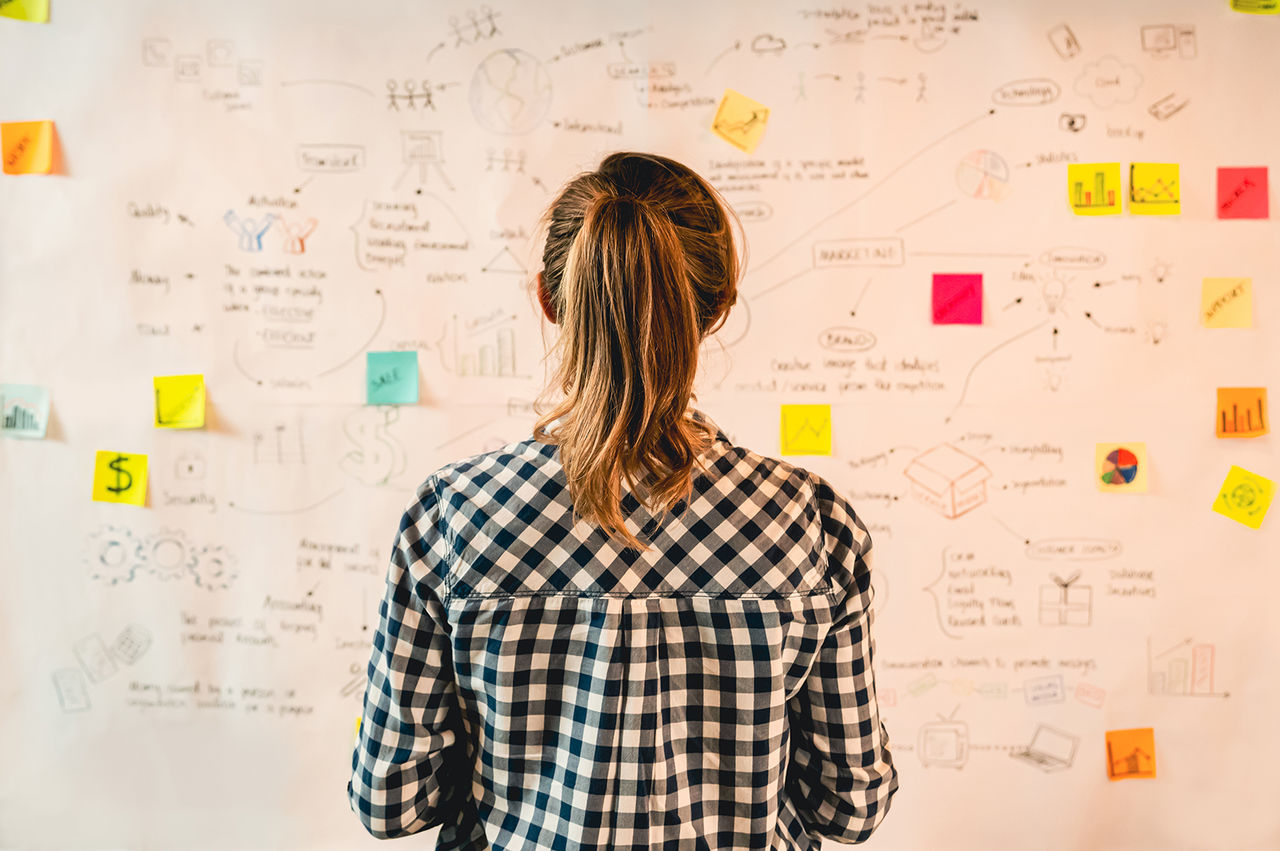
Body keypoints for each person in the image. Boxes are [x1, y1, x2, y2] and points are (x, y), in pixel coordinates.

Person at [348, 151, 897, 848]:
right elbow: (850, 807)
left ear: (549, 300)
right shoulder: (812, 523)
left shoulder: (453, 516)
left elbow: (389, 799)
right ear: (718, 309)